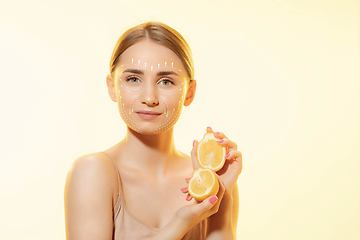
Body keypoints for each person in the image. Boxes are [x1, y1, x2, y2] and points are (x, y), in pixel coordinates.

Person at [64, 21, 242, 240]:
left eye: (166, 81)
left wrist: (219, 197)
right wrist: (181, 222)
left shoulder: (206, 178)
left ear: (189, 92)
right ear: (112, 87)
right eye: (133, 79)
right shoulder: (93, 171)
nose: (149, 98)